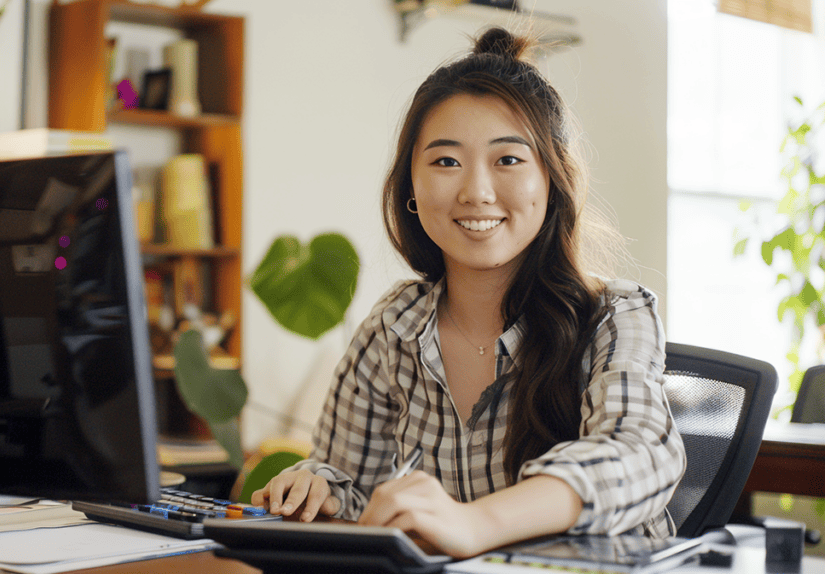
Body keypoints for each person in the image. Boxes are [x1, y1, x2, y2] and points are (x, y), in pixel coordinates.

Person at [250, 27, 686, 559]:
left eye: (508, 160)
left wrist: (474, 523)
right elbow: (349, 480)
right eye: (446, 161)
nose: (476, 192)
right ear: (409, 186)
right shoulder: (396, 326)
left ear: (554, 181)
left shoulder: (615, 315)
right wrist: (318, 490)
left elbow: (639, 454)